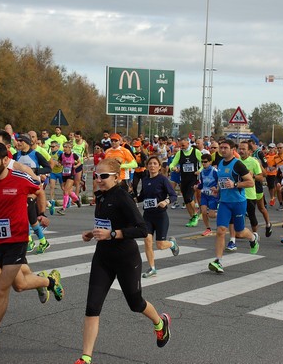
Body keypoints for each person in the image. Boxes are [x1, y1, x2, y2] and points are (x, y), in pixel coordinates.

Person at [0, 142, 64, 361]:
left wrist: (40, 213)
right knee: (19, 285)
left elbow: (38, 190)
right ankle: (50, 281)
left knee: (1, 289)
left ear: (5, 160)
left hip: (18, 240)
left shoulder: (20, 179)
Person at [76, 158, 170, 364]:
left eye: (104, 176)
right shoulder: (100, 196)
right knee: (92, 307)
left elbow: (141, 229)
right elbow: (106, 225)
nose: (99, 180)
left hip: (126, 258)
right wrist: (92, 234)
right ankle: (85, 357)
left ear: (116, 177)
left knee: (135, 304)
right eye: (96, 176)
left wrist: (113, 234)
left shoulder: (122, 197)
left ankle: (160, 323)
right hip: (103, 258)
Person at [208, 140, 259, 274]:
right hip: (224, 202)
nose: (222, 150)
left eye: (225, 148)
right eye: (221, 148)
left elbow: (250, 182)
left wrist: (235, 185)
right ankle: (218, 261)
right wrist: (217, 189)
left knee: (239, 232)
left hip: (238, 202)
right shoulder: (219, 163)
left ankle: (253, 238)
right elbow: (222, 182)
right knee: (220, 231)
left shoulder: (238, 164)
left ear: (232, 149)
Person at [138, 156, 179, 278]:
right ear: (147, 166)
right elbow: (142, 196)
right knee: (147, 241)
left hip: (160, 216)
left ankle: (172, 244)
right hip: (147, 216)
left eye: (155, 163)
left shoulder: (162, 179)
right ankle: (152, 268)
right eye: (150, 163)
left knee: (160, 245)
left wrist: (165, 202)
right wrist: (131, 197)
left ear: (159, 166)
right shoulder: (145, 180)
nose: (152, 166)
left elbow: (173, 195)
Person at [169, 137, 202, 227]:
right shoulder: (180, 153)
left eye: (183, 145)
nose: (181, 147)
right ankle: (192, 217)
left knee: (189, 197)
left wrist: (199, 170)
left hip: (193, 179)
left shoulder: (196, 152)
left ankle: (195, 214)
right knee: (186, 200)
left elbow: (204, 163)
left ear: (188, 143)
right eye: (180, 146)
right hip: (183, 179)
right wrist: (173, 168)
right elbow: (172, 164)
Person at [197, 153, 218, 236]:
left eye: (205, 162)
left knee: (212, 215)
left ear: (210, 162)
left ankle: (224, 215)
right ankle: (208, 228)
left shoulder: (214, 171)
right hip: (204, 195)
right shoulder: (201, 172)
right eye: (202, 162)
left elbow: (219, 182)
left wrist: (216, 188)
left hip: (213, 195)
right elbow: (201, 185)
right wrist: (196, 186)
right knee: (204, 211)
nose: (203, 163)